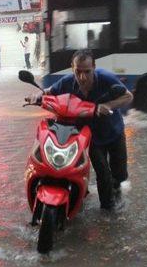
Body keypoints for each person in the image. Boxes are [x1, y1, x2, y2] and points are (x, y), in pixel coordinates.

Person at [27, 49, 134, 210]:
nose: (82, 77)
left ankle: (116, 187)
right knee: (102, 173)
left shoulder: (106, 78)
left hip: (114, 132)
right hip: (91, 136)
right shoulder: (67, 82)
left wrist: (108, 105)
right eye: (78, 72)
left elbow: (128, 96)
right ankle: (108, 211)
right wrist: (37, 96)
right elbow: (49, 93)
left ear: (94, 67)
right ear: (72, 68)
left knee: (119, 174)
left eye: (87, 72)